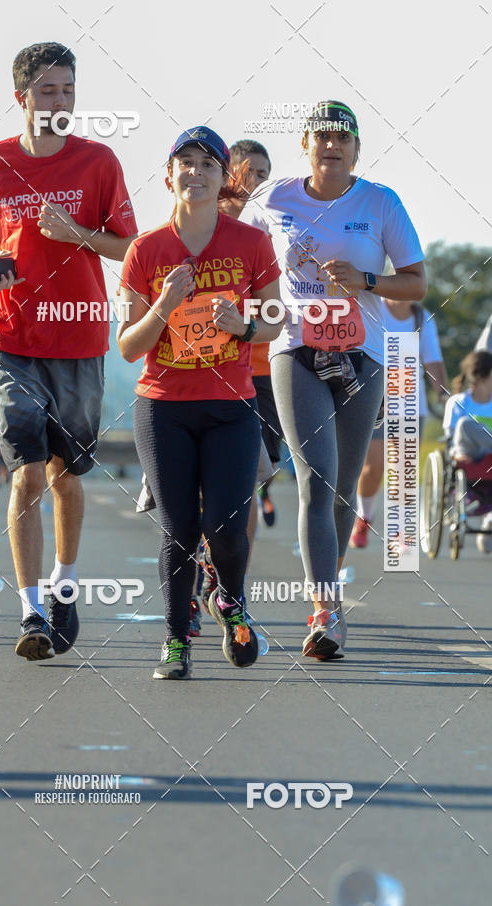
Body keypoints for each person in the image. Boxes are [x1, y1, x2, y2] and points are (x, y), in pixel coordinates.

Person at [0, 42, 137, 660]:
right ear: (22, 97)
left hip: (81, 337)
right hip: (7, 338)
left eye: (68, 90)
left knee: (65, 475)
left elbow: (127, 250)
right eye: (48, 91)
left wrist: (77, 234)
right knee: (26, 468)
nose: (60, 102)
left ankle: (64, 582)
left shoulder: (99, 162)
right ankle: (31, 610)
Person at [241, 101, 426, 660]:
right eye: (322, 137)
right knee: (316, 481)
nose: (332, 146)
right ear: (306, 144)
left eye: (343, 139)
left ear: (355, 150)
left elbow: (415, 284)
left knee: (343, 489)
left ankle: (331, 588)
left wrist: (367, 279)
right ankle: (325, 608)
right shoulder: (273, 199)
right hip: (294, 350)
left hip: (362, 358)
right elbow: (238, 257)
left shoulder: (380, 201)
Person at [118, 126, 282, 679]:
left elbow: (276, 322)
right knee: (179, 529)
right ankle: (174, 641)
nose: (196, 172)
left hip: (232, 406)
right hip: (163, 406)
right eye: (185, 163)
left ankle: (231, 603)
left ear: (223, 179)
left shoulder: (250, 244)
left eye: (208, 164)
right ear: (170, 176)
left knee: (228, 528)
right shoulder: (147, 249)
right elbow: (127, 345)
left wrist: (244, 326)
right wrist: (163, 303)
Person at [221, 140, 284, 538]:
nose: (257, 181)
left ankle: (230, 589)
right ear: (228, 173)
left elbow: (280, 304)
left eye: (264, 174)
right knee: (210, 488)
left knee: (249, 481)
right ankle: (199, 577)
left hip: (264, 370)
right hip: (212, 368)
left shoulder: (274, 230)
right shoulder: (201, 222)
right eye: (249, 171)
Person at [349, 298, 448, 548]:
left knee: (403, 471)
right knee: (374, 468)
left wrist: (443, 394)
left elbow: (433, 359)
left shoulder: (422, 317)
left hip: (411, 404)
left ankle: (401, 531)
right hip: (376, 400)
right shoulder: (373, 308)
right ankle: (365, 516)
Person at [443, 350, 492, 553]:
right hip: (467, 455)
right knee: (464, 424)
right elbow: (450, 437)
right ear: (481, 377)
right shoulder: (458, 402)